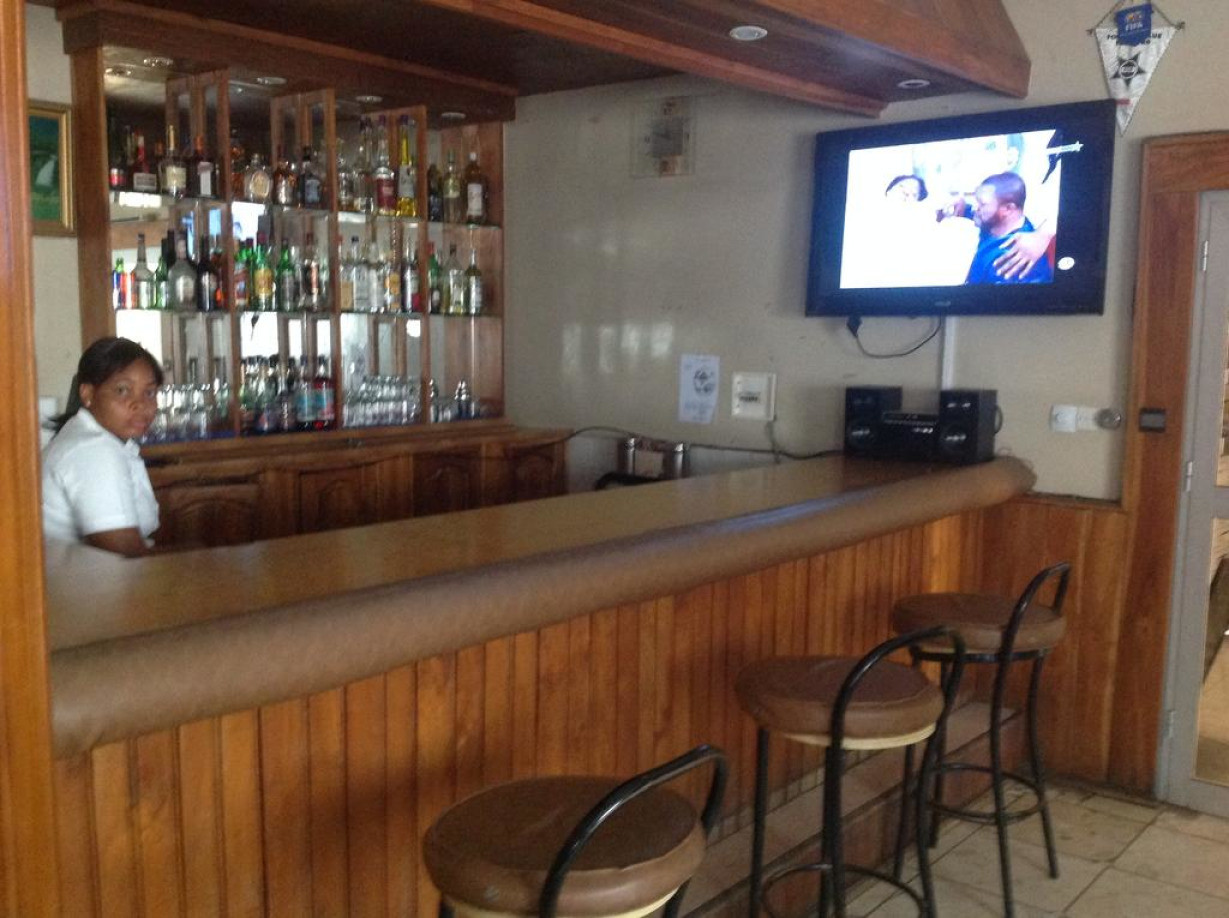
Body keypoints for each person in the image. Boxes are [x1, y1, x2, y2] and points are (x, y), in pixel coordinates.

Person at [42, 337, 162, 557]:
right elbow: (126, 554)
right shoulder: (93, 450)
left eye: (150, 392)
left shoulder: (93, 438)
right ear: (87, 394)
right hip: (87, 578)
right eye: (122, 390)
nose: (140, 404)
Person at [963, 172, 1053, 285]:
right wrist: (963, 208)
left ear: (1008, 209)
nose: (975, 208)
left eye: (982, 204)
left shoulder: (1013, 260)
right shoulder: (997, 223)